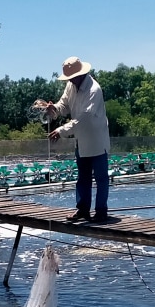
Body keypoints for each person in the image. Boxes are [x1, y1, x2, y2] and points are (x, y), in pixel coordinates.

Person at [40, 56, 112, 223]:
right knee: (83, 177)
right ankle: (83, 210)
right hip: (81, 139)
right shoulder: (71, 86)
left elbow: (83, 119)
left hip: (97, 139)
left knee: (101, 179)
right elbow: (64, 106)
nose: (70, 80)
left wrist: (61, 130)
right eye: (69, 78)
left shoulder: (94, 90)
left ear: (81, 74)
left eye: (72, 77)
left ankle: (101, 212)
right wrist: (54, 109)